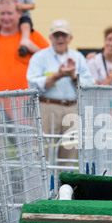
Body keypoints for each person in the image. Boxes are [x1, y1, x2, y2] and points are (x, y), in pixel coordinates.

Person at [27, 18, 95, 161]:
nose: (60, 39)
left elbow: (89, 84)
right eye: (56, 35)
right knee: (42, 155)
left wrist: (73, 76)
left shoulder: (78, 58)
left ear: (70, 38)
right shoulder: (39, 57)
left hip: (71, 109)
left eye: (63, 35)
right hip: (46, 108)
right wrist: (57, 76)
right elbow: (32, 84)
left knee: (69, 155)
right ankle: (43, 184)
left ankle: (65, 183)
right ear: (50, 37)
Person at [0, 0, 49, 92]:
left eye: (9, 13)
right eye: (2, 14)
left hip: (25, 102)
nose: (6, 18)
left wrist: (33, 48)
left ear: (19, 14)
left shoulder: (33, 36)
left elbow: (50, 61)